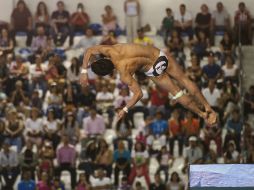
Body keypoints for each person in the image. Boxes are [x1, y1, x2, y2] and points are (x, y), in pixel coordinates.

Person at [80, 44, 217, 126]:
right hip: (159, 55)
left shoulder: (124, 74)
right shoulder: (113, 50)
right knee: (184, 80)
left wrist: (125, 109)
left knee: (177, 93)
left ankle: (202, 115)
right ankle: (207, 106)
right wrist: (84, 71)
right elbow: (90, 50)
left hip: (154, 69)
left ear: (108, 73)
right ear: (103, 58)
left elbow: (139, 94)